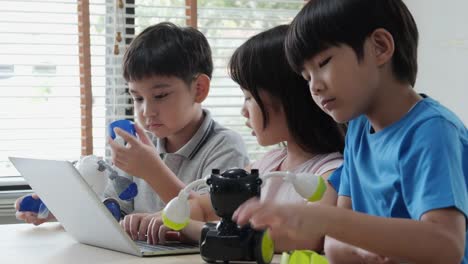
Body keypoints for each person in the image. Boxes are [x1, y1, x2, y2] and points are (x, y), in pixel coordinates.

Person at [233, 0, 468, 263]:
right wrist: (355, 245)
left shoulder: (432, 131)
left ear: (380, 47)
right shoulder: (357, 131)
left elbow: (446, 245)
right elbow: (335, 245)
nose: (315, 87)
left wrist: (324, 219)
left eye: (323, 62)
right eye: (307, 77)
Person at [124, 25, 346, 252]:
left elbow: (301, 237)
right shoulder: (265, 165)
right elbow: (202, 207)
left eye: (249, 97)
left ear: (290, 98)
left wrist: (189, 228)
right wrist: (159, 219)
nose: (243, 111)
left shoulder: (332, 173)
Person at [14, 22, 250, 228]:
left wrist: (152, 170)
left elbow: (210, 220)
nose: (146, 111)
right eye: (137, 98)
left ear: (198, 89)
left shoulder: (225, 147)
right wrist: (61, 209)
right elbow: (114, 210)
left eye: (160, 96)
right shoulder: (139, 145)